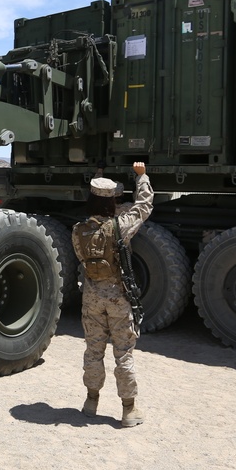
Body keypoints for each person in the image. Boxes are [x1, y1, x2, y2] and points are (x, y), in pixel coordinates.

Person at [72, 162, 154, 427]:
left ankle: (91, 401)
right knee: (123, 354)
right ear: (114, 203)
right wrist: (141, 177)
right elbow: (143, 206)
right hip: (119, 299)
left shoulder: (78, 231)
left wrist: (98, 178)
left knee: (93, 352)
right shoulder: (121, 226)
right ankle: (129, 410)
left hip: (92, 299)